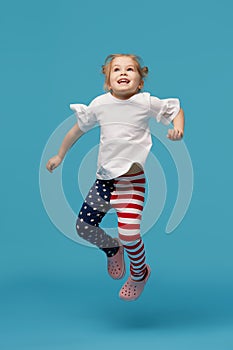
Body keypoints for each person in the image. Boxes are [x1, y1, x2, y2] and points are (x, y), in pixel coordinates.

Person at [46, 53, 185, 301]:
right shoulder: (100, 105)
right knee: (84, 227)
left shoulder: (145, 102)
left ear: (140, 81)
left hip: (131, 183)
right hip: (104, 182)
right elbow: (76, 131)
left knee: (130, 233)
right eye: (117, 70)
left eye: (130, 70)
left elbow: (175, 109)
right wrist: (59, 155)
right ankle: (112, 249)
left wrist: (178, 128)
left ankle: (140, 273)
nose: (123, 73)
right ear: (108, 81)